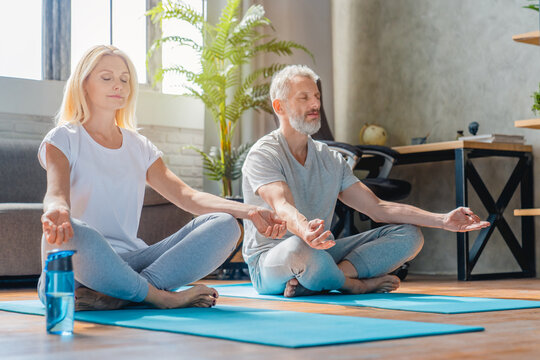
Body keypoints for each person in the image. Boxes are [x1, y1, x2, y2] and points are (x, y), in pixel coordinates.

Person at [37, 45, 286, 311]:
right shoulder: (63, 138)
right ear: (84, 83)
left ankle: (125, 294)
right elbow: (56, 193)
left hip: (132, 261)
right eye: (106, 77)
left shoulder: (139, 146)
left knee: (225, 225)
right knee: (70, 234)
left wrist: (250, 211)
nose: (118, 85)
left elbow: (187, 197)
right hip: (81, 266)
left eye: (125, 79)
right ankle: (160, 297)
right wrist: (57, 210)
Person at [241, 65, 490, 297]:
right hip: (272, 260)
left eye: (316, 96)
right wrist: (306, 231)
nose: (315, 103)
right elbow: (283, 206)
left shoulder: (331, 159)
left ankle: (320, 280)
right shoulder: (265, 154)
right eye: (304, 98)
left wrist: (443, 220)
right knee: (298, 248)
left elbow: (377, 208)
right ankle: (352, 285)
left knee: (410, 235)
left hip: (321, 252)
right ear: (279, 106)